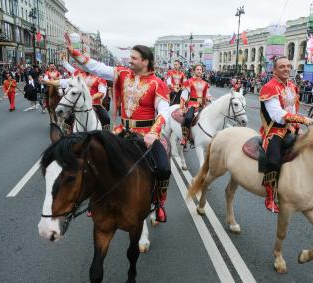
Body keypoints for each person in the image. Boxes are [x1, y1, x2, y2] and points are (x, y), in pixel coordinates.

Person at [64, 34, 171, 223]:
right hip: (123, 131)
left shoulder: (158, 84)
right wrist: (73, 52)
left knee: (163, 168)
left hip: (147, 134)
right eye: (130, 57)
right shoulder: (122, 74)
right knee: (95, 159)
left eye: (134, 58)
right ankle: (94, 200)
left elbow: (163, 112)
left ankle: (159, 202)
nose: (130, 60)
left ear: (146, 61)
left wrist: (154, 133)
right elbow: (96, 66)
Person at [258, 56, 313, 213]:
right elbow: (278, 115)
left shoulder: (292, 86)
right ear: (274, 70)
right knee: (274, 161)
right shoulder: (269, 87)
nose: (287, 69)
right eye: (282, 66)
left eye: (288, 66)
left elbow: (292, 109)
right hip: (274, 130)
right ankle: (270, 197)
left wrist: (297, 126)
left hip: (291, 128)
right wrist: (302, 119)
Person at [179, 64, 212, 146]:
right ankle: (185, 137)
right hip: (192, 105)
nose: (199, 71)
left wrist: (209, 98)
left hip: (202, 105)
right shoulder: (189, 82)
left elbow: (207, 94)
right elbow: (184, 96)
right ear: (194, 71)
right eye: (197, 69)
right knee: (188, 118)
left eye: (200, 69)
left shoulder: (205, 83)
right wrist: (182, 107)